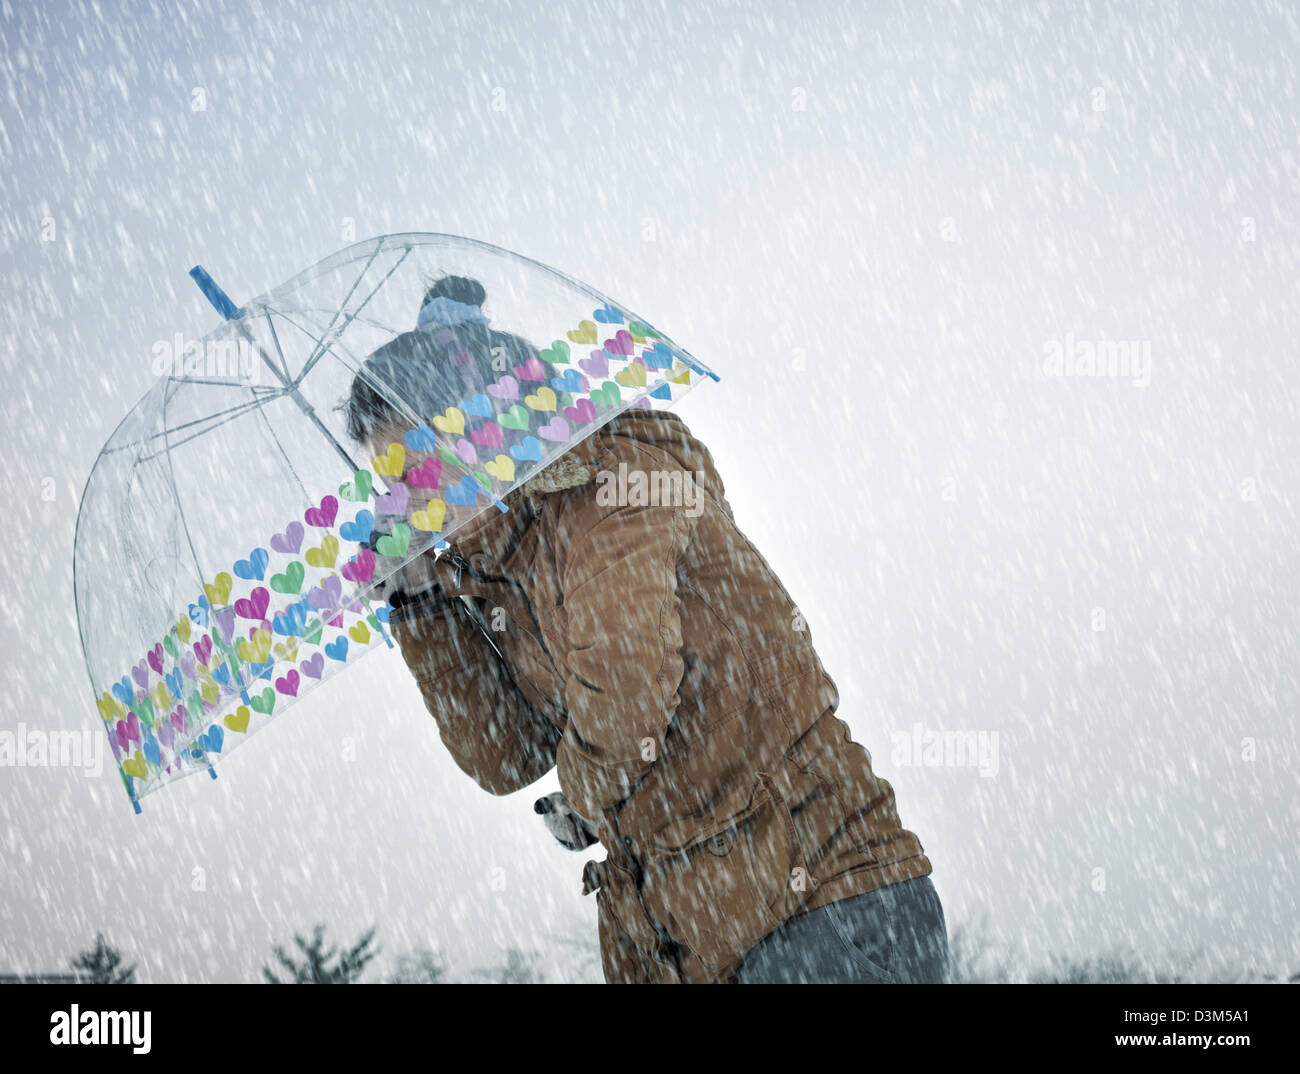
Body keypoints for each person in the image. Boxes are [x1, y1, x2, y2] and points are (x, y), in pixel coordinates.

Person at [342, 275, 949, 984]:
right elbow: (505, 757)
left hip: (821, 900)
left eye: (398, 460)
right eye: (379, 470)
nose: (393, 493)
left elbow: (626, 692)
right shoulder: (500, 563)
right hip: (707, 937)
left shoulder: (612, 483)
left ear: (471, 426)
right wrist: (423, 608)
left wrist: (581, 796)